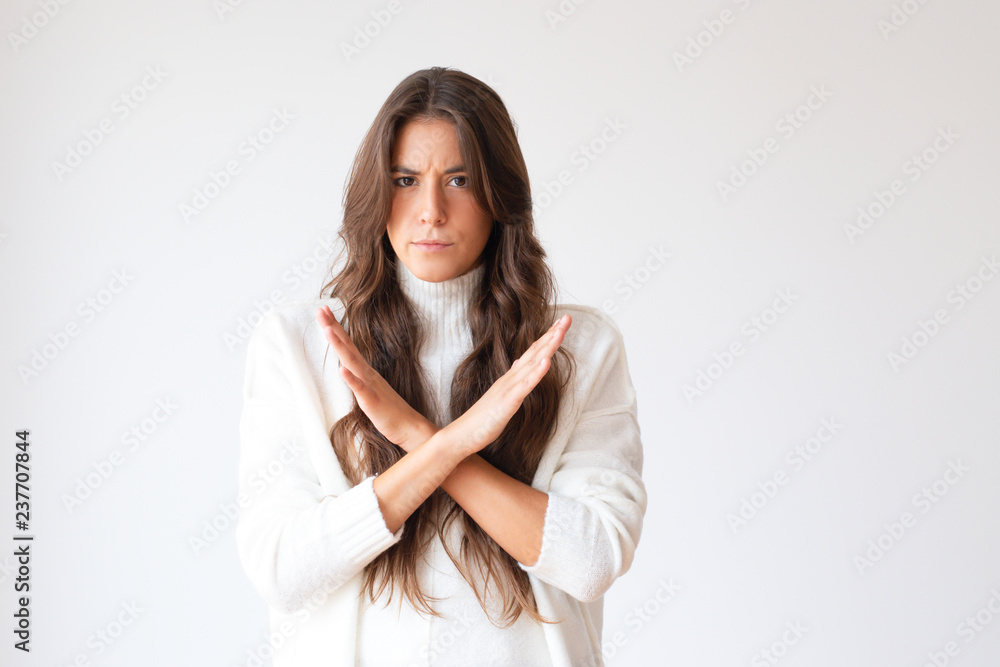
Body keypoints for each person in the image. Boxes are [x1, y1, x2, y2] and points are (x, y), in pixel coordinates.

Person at [236, 66, 647, 667]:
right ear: (377, 194)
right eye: (405, 180)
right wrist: (451, 446)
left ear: (499, 195)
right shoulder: (298, 345)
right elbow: (282, 569)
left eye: (458, 179)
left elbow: (593, 560)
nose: (430, 210)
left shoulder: (574, 348)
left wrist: (423, 441)